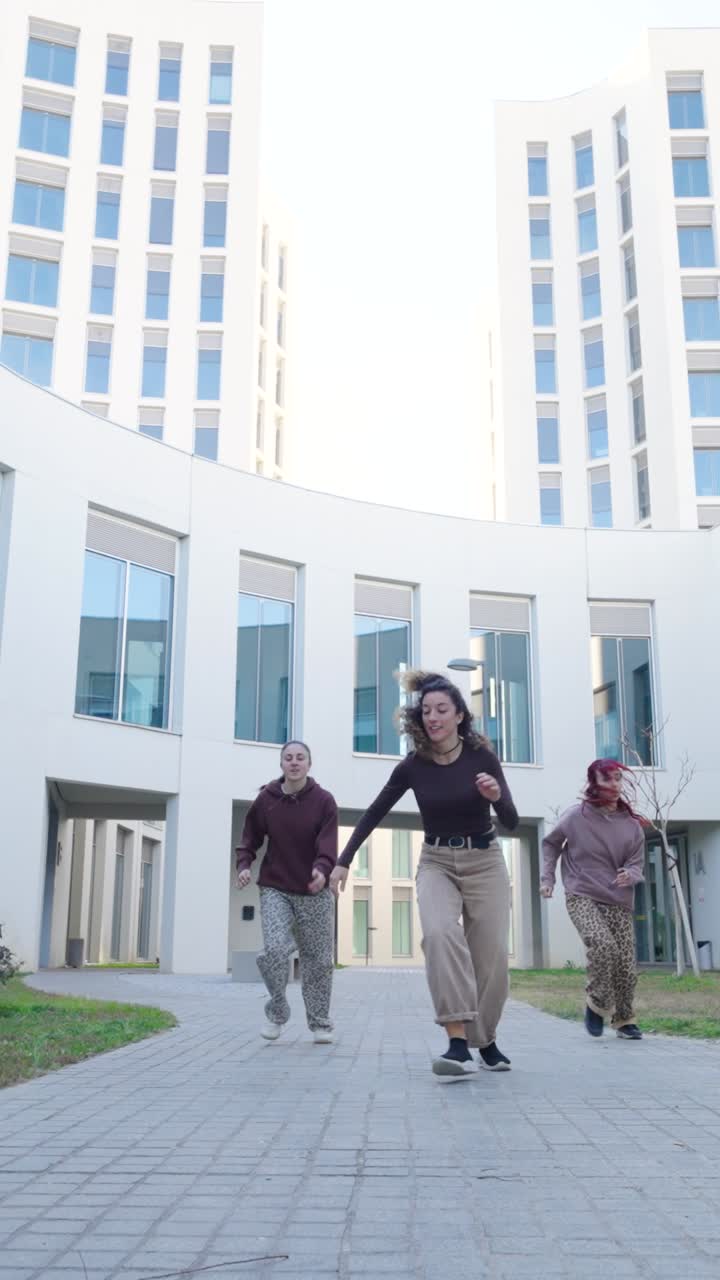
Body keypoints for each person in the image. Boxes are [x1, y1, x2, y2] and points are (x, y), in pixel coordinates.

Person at [330, 670, 519, 1080]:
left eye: (442, 710)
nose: (432, 717)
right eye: (427, 710)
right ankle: (456, 1042)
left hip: (485, 860)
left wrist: (496, 796)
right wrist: (344, 859)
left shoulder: (482, 758)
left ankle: (483, 1040)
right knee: (438, 934)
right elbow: (375, 811)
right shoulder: (413, 766)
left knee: (491, 959)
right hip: (435, 860)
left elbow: (512, 820)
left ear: (459, 716)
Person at [236, 740, 338, 1044]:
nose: (294, 763)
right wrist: (244, 864)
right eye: (288, 758)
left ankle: (320, 1023)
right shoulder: (266, 800)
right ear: (281, 764)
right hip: (275, 887)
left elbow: (328, 842)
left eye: (300, 758)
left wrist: (322, 869)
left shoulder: (324, 801)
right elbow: (250, 837)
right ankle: (277, 1012)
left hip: (314, 890)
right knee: (275, 951)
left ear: (309, 764)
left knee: (318, 959)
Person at [541, 759, 646, 1041]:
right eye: (607, 779)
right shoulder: (577, 817)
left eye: (618, 779)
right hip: (582, 893)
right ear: (593, 783)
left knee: (625, 966)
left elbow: (636, 862)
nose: (614, 785)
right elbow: (550, 843)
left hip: (618, 899)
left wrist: (631, 873)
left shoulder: (632, 825)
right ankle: (596, 1004)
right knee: (602, 944)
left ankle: (624, 1019)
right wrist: (547, 879)